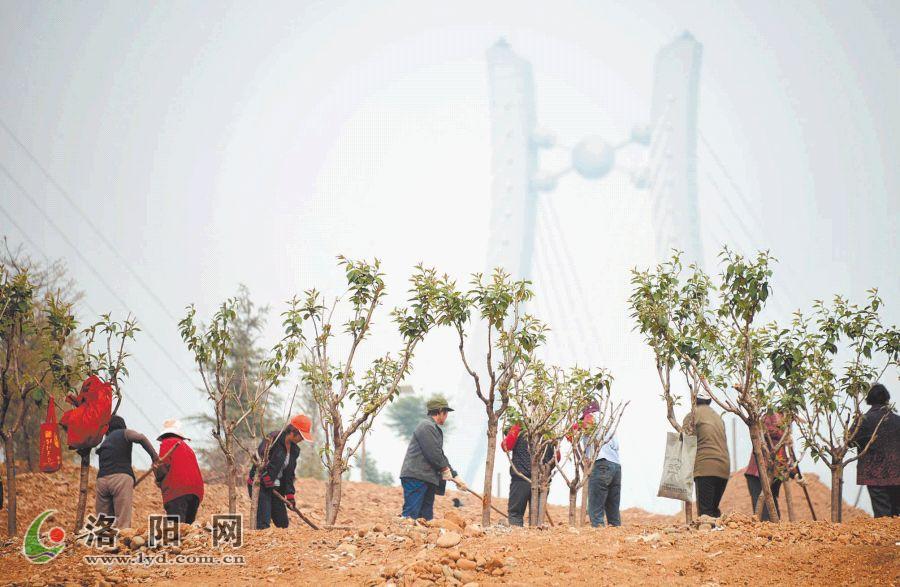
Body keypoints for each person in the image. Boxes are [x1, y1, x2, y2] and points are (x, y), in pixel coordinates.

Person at [399, 396, 465, 520]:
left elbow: (440, 454)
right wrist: (445, 469)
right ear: (440, 411)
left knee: (425, 518)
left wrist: (455, 475)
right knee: (411, 515)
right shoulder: (426, 426)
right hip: (416, 476)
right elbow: (433, 454)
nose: (446, 416)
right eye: (446, 413)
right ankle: (405, 530)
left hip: (426, 478)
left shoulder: (433, 428)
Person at [248, 414, 313, 529]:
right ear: (293, 432)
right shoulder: (273, 439)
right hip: (260, 485)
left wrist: (290, 495)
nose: (302, 440)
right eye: (301, 436)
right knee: (263, 523)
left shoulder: (295, 450)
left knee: (283, 524)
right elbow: (258, 459)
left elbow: (289, 474)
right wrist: (265, 476)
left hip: (276, 488)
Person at [94, 415, 159, 528]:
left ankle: (104, 538)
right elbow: (141, 437)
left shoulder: (104, 442)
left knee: (103, 520)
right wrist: (154, 457)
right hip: (120, 479)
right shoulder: (124, 433)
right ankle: (122, 537)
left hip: (102, 481)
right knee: (122, 519)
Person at [852, 383, 900, 517]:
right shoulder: (897, 420)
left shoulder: (864, 421)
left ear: (869, 399)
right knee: (897, 515)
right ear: (887, 399)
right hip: (897, 474)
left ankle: (885, 531)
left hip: (874, 474)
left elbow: (849, 441)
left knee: (882, 515)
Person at [501, 421, 557, 526]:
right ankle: (535, 533)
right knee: (537, 518)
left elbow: (505, 446)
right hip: (542, 480)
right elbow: (557, 458)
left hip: (521, 480)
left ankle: (517, 533)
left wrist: (513, 429)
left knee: (515, 515)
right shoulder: (549, 433)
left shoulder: (518, 428)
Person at [685, 395, 730, 518]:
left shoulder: (693, 415)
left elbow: (684, 440)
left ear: (694, 399)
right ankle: (718, 529)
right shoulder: (718, 417)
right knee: (713, 510)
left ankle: (708, 529)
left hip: (705, 468)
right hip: (724, 468)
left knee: (705, 513)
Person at [155, 419, 204, 524]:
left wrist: (158, 478)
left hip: (177, 491)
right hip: (196, 492)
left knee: (176, 527)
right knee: (187, 528)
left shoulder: (166, 443)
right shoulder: (188, 448)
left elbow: (163, 467)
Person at [744, 411, 788, 521]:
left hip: (773, 474)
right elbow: (766, 430)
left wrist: (794, 473)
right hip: (758, 473)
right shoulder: (773, 415)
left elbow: (783, 455)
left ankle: (772, 530)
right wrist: (784, 432)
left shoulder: (785, 424)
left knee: (773, 512)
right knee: (763, 513)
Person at [587, 429, 622, 528]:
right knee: (613, 504)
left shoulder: (591, 423)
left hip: (601, 463)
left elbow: (586, 427)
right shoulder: (609, 425)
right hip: (616, 465)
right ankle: (615, 529)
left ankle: (598, 530)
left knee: (596, 503)